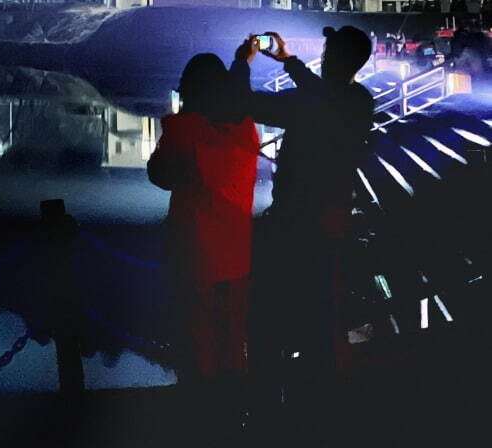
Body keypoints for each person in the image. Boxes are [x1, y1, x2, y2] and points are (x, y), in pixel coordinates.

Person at [234, 25, 376, 402]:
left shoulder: (310, 103)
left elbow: (246, 102)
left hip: (292, 220)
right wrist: (290, 63)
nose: (325, 57)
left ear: (333, 58)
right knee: (324, 310)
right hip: (331, 221)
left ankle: (272, 398)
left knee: (273, 311)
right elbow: (325, 97)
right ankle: (322, 393)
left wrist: (242, 64)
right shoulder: (360, 102)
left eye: (329, 51)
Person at [148, 52, 259, 394]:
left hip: (194, 251)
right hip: (236, 251)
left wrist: (181, 118)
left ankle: (201, 411)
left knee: (196, 339)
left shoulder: (185, 129)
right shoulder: (246, 129)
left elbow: (160, 174)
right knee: (232, 336)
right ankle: (234, 407)